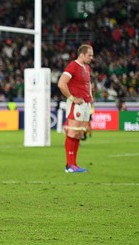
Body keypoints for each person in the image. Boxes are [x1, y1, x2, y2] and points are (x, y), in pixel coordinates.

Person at [58, 44, 94, 173]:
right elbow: (61, 83)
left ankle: (74, 164)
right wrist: (72, 98)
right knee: (73, 132)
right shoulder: (73, 66)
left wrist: (91, 97)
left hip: (85, 104)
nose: (91, 58)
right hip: (76, 104)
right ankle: (69, 165)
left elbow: (88, 84)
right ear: (82, 54)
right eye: (89, 55)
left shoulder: (87, 68)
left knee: (79, 134)